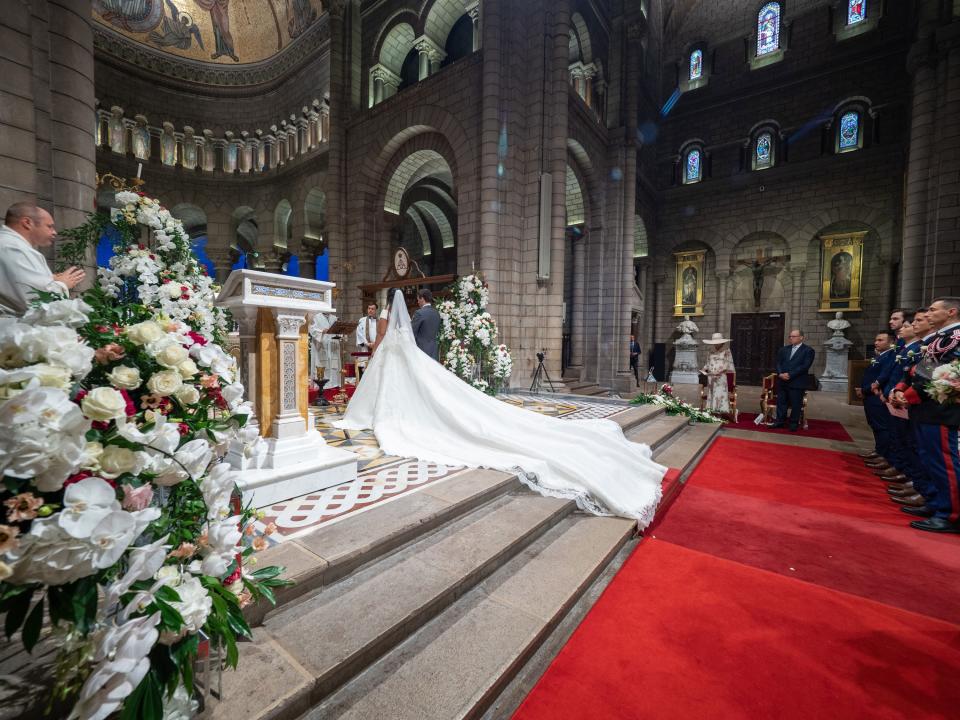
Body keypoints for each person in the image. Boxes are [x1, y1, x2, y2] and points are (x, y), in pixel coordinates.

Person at [334, 288, 667, 527]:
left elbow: (386, 344)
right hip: (420, 360)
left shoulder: (390, 321)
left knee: (403, 418)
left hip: (401, 362)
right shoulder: (422, 314)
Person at [894, 297, 960, 534]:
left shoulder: (956, 338)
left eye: (933, 310)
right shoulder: (940, 338)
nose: (928, 314)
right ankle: (935, 503)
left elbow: (945, 374)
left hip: (941, 409)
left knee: (944, 463)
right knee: (928, 458)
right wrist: (902, 389)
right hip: (925, 408)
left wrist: (909, 394)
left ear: (951, 312)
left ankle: (950, 514)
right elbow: (918, 370)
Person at [0, 202, 84, 317]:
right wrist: (63, 284)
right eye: (49, 226)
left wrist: (50, 279)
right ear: (27, 223)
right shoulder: (14, 248)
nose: (54, 232)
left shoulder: (9, 244)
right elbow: (32, 299)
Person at [856, 331, 896, 464]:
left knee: (881, 426)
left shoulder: (889, 356)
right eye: (876, 340)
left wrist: (865, 389)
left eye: (880, 340)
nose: (876, 343)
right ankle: (879, 450)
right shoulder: (881, 356)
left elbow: (882, 378)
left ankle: (883, 454)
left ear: (891, 342)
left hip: (877, 396)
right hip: (870, 395)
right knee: (875, 425)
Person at [772, 329, 815, 431]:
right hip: (783, 381)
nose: (791, 338)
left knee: (796, 404)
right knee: (781, 403)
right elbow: (778, 363)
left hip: (797, 382)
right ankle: (779, 421)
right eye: (790, 336)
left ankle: (793, 423)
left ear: (801, 337)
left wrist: (790, 374)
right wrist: (780, 373)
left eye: (794, 336)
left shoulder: (808, 350)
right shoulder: (784, 349)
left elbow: (805, 366)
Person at [700, 333, 735, 414]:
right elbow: (708, 363)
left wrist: (720, 371)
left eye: (717, 342)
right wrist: (703, 369)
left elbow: (728, 364)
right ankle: (711, 410)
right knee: (711, 393)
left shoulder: (727, 351)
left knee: (719, 393)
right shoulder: (710, 351)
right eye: (714, 343)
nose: (715, 344)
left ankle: (720, 412)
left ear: (722, 342)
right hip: (711, 377)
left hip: (721, 376)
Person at [411, 288, 441, 360]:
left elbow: (411, 332)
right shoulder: (436, 313)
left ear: (422, 299)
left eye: (418, 299)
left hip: (422, 351)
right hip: (434, 350)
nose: (417, 302)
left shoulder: (419, 313)